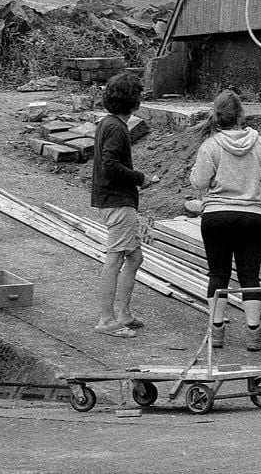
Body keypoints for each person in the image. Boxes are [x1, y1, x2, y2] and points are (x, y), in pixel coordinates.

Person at [190, 89, 261, 351]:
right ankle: (254, 334)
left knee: (218, 274)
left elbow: (198, 183)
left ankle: (217, 332)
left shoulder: (211, 145)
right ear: (242, 114)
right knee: (249, 276)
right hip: (251, 217)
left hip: (217, 216)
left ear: (216, 116)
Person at [92, 71, 149, 337]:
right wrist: (141, 178)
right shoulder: (116, 128)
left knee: (135, 257)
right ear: (133, 101)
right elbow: (111, 165)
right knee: (115, 259)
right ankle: (106, 319)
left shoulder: (108, 122)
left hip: (113, 199)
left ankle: (124, 314)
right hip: (118, 200)